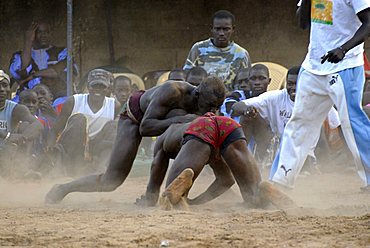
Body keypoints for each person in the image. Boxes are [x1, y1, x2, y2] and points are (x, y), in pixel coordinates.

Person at [45, 76, 226, 204]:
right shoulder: (173, 91)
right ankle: (63, 188)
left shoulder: (204, 105)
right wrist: (181, 120)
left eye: (217, 108)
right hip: (133, 118)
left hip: (164, 124)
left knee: (197, 139)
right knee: (112, 180)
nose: (213, 111)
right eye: (210, 106)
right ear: (197, 95)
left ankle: (152, 195)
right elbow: (146, 127)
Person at [271, 0, 370, 191]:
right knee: (299, 121)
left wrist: (344, 49)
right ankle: (280, 180)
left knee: (351, 122)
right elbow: (302, 23)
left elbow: (368, 23)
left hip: (345, 65)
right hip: (313, 66)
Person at [138, 113, 295, 209]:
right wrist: (199, 201)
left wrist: (149, 196)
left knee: (170, 199)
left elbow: (156, 169)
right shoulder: (191, 124)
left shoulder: (165, 135)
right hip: (229, 126)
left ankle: (182, 193)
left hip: (200, 131)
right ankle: (264, 189)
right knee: (254, 199)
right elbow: (226, 180)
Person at [232, 66, 341, 177]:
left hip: (302, 151)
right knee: (247, 117)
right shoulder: (275, 97)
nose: (293, 88)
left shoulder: (317, 100)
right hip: (274, 148)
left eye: (297, 84)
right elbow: (237, 106)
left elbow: (339, 124)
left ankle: (314, 167)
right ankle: (241, 163)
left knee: (318, 126)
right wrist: (247, 110)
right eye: (290, 84)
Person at [183, 10, 251, 91]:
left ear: (233, 29)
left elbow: (247, 82)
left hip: (230, 100)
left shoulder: (241, 54)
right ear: (211, 28)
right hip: (201, 98)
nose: (221, 33)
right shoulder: (199, 49)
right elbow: (186, 77)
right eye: (217, 29)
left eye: (226, 29)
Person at [9, 20, 78, 100]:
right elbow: (21, 72)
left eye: (47, 32)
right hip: (28, 99)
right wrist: (28, 41)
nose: (44, 35)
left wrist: (33, 75)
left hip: (57, 97)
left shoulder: (62, 52)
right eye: (39, 32)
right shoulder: (19, 55)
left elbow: (58, 71)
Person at [0, 70, 43, 176]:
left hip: (6, 156)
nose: (1, 89)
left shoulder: (15, 109)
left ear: (9, 89)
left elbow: (37, 125)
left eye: (5, 85)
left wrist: (21, 138)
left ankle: (22, 169)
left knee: (26, 126)